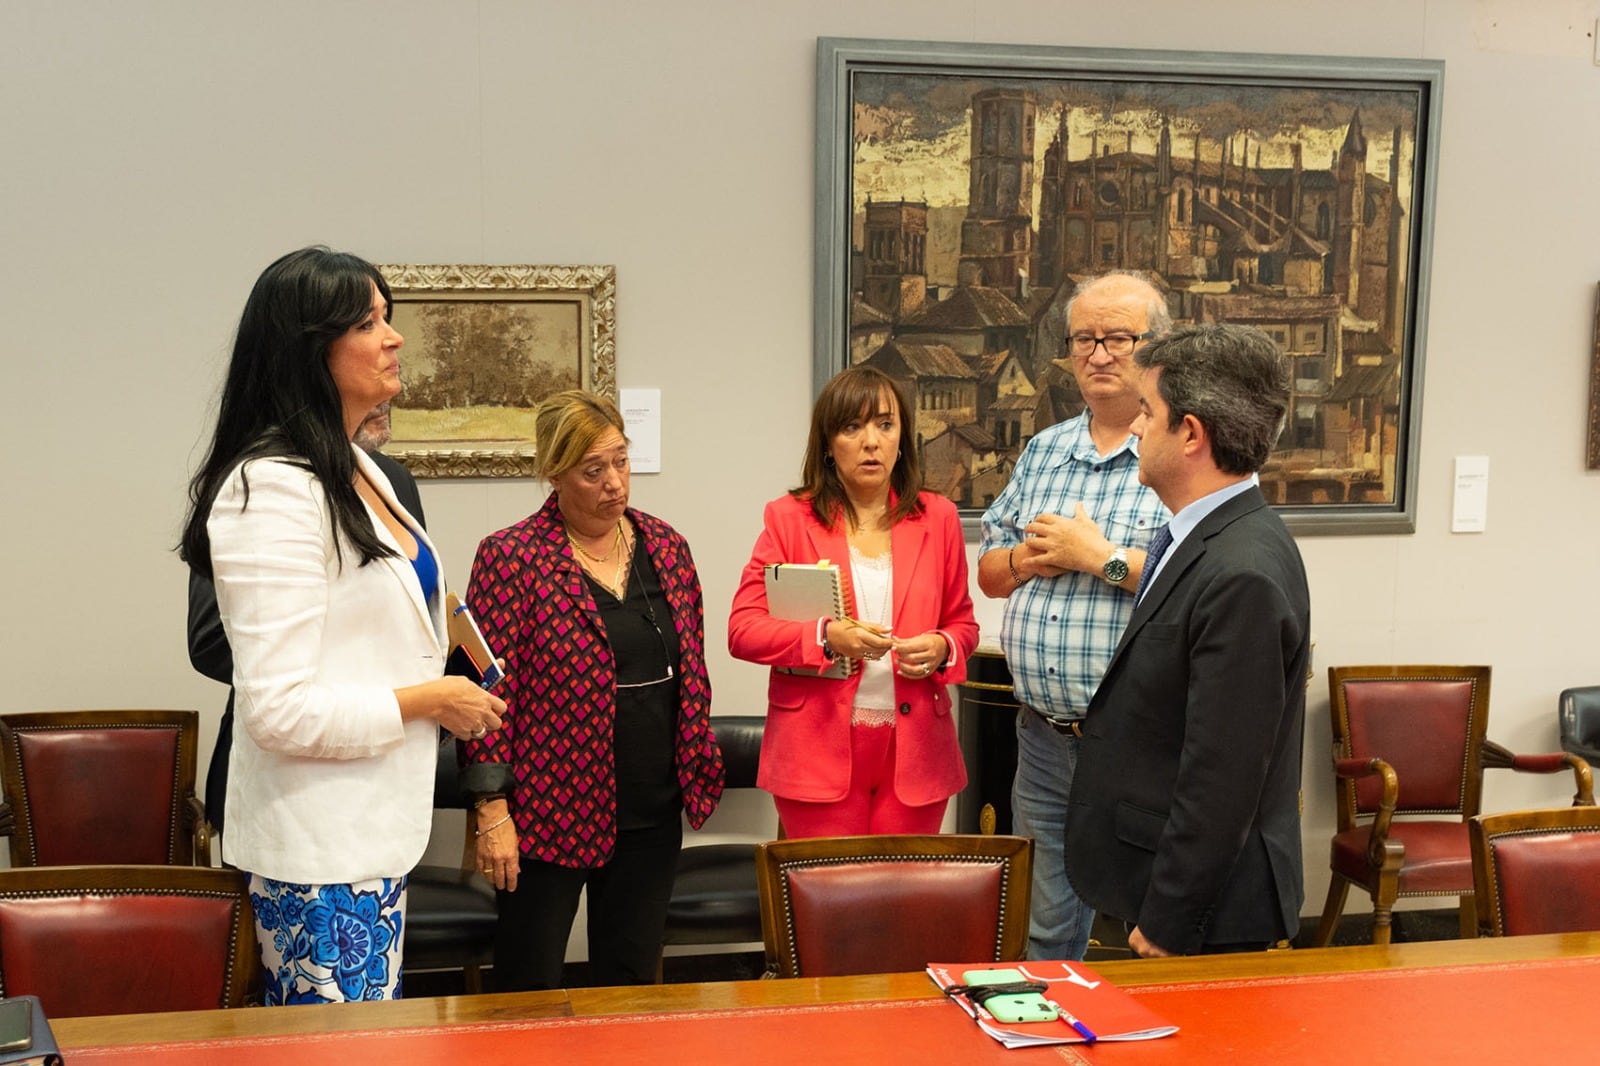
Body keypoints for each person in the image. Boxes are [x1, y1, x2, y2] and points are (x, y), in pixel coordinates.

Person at [178, 246, 506, 1004]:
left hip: (367, 830)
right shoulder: (272, 488)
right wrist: (431, 700)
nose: (393, 337)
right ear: (309, 350)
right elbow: (279, 710)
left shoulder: (356, 469)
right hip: (318, 847)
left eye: (388, 318)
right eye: (369, 322)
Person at [461, 389, 724, 992]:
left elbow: (694, 671)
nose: (615, 483)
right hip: (546, 813)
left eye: (621, 461)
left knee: (629, 987)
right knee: (529, 984)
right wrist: (492, 807)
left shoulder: (666, 546)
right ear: (554, 474)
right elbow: (482, 692)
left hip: (650, 808)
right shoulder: (510, 557)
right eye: (593, 470)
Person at [1064, 322, 1311, 957]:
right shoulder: (1209, 537)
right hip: (1172, 886)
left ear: (1192, 434)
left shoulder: (1242, 573)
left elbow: (1221, 776)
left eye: (1148, 411)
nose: (1137, 427)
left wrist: (1170, 921)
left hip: (1202, 914)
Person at [976, 272, 1171, 960]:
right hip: (1045, 741)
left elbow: (1202, 588)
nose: (1097, 355)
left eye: (1117, 338)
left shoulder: (1182, 452)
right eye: (1084, 339)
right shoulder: (1044, 450)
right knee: (1046, 929)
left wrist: (1100, 558)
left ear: (1157, 348)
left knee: (1156, 925)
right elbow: (990, 572)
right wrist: (1031, 560)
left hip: (1142, 746)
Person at [729, 366, 979, 838]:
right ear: (828, 443)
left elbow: (963, 624)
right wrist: (826, 636)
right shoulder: (788, 519)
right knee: (829, 906)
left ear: (902, 436)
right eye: (852, 427)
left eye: (885, 425)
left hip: (918, 752)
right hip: (815, 749)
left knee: (901, 905)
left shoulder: (939, 517)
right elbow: (743, 630)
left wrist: (944, 647)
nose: (871, 441)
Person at [187, 402, 423, 842]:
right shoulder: (258, 481)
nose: (385, 396)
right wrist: (324, 663)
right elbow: (207, 641)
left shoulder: (394, 483)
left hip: (385, 772)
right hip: (288, 782)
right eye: (363, 333)